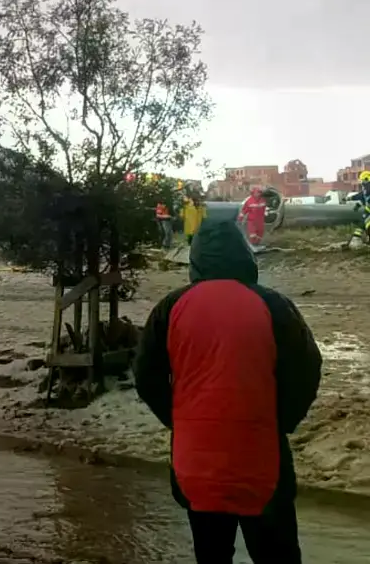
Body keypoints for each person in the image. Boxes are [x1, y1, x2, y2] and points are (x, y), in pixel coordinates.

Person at [133, 218, 322, 564]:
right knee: (277, 556)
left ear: (196, 258)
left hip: (196, 464)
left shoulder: (170, 308)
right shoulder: (274, 305)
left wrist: (180, 420)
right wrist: (282, 420)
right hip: (262, 459)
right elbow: (306, 371)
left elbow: (146, 378)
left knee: (212, 554)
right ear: (244, 254)